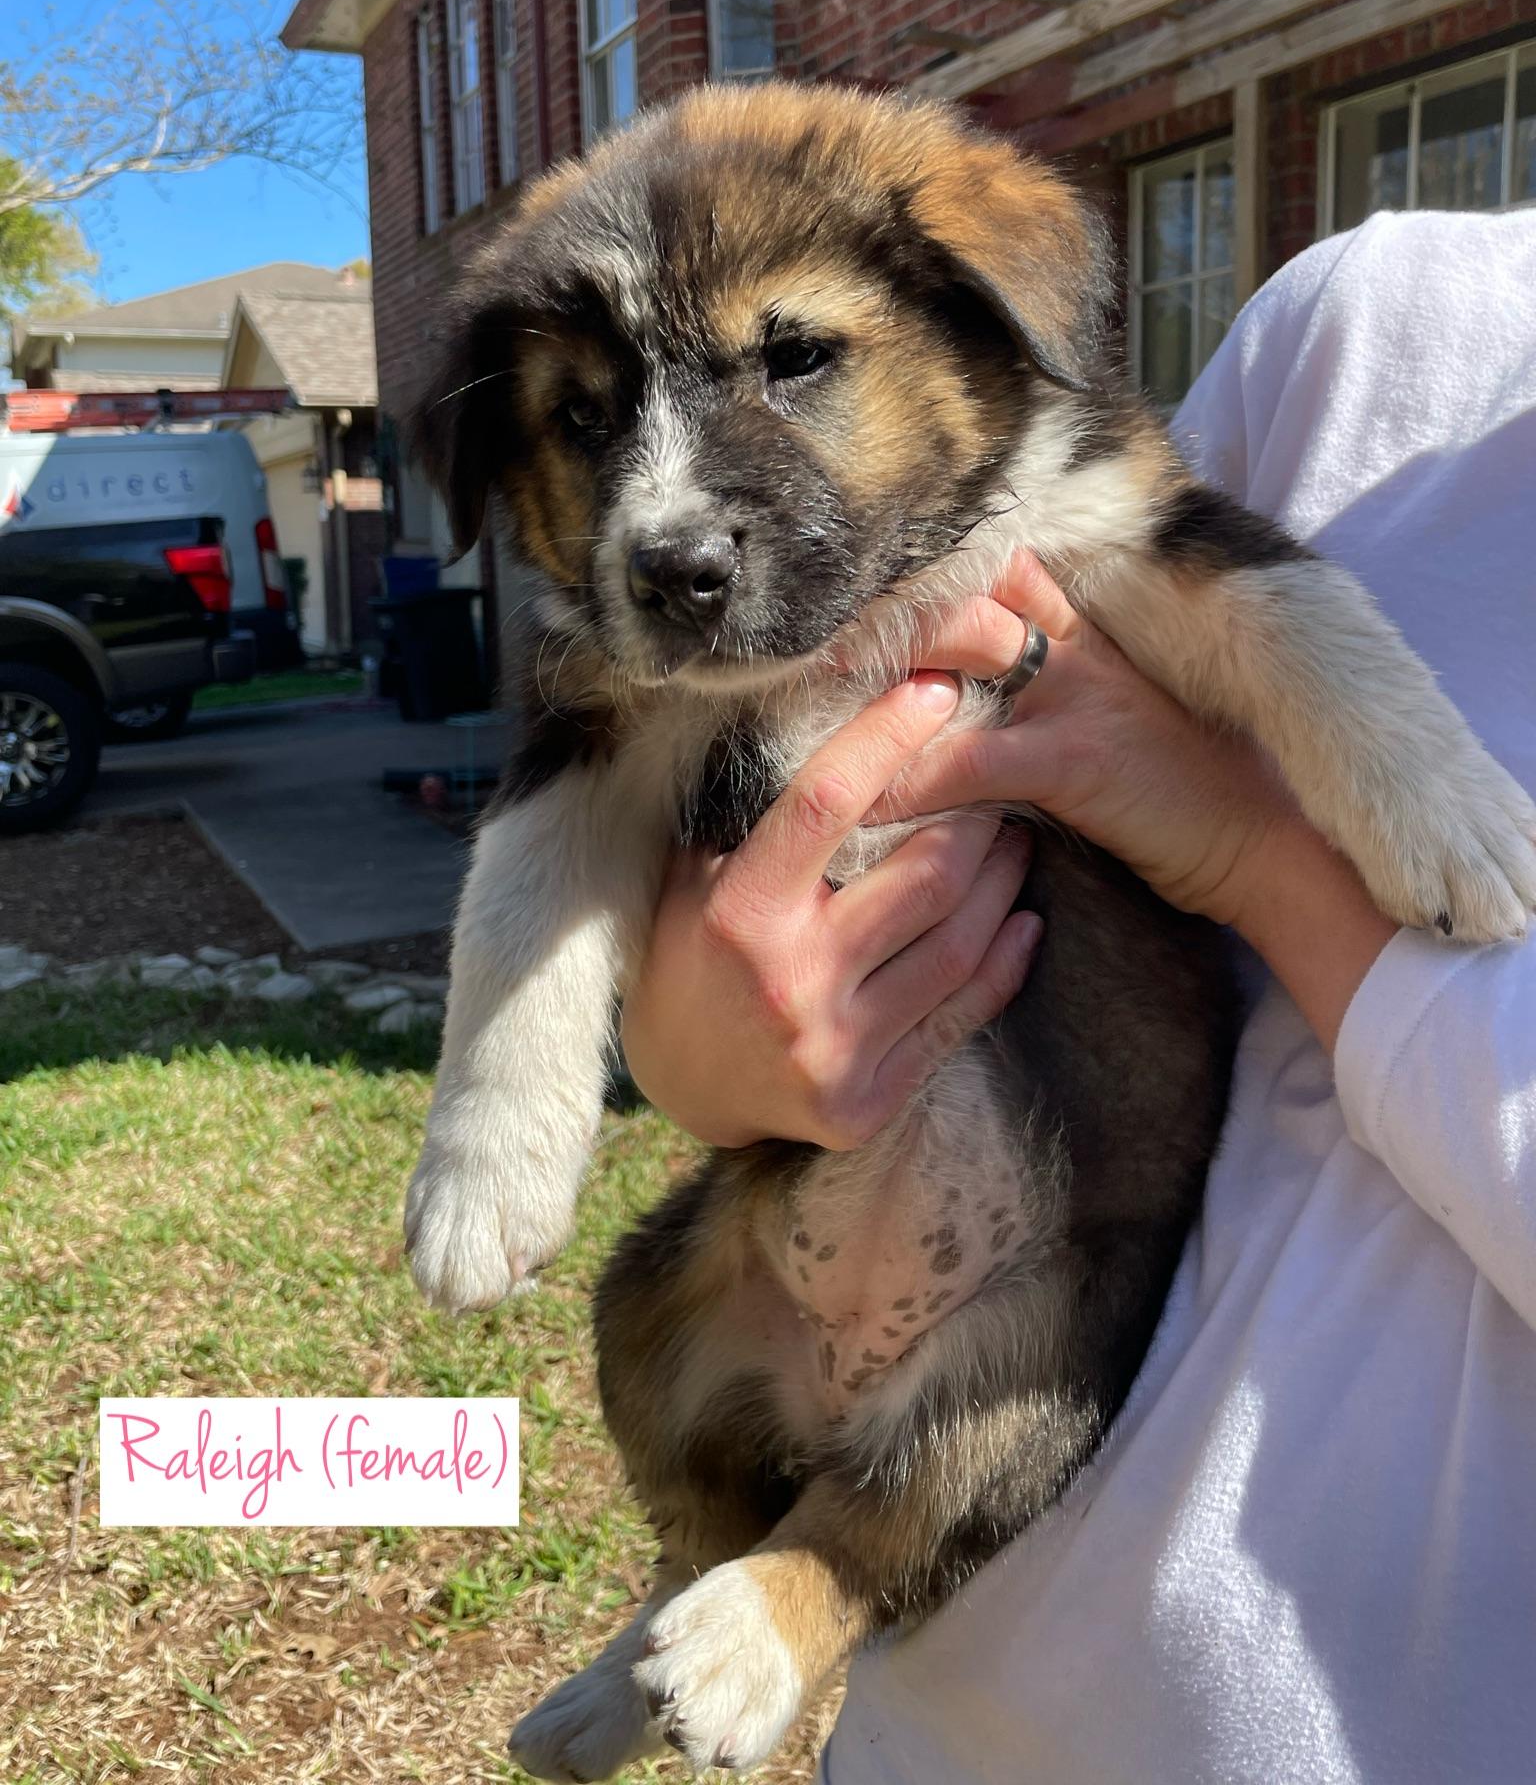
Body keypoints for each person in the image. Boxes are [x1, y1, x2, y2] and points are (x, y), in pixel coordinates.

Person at [621, 209, 1536, 1784]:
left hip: (1355, 1720)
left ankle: (811, 1576)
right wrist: (698, 1037)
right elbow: (1041, 672)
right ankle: (716, 1575)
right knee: (647, 1324)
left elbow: (1173, 789)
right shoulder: (1367, 315)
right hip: (951, 1716)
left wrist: (1260, 849)